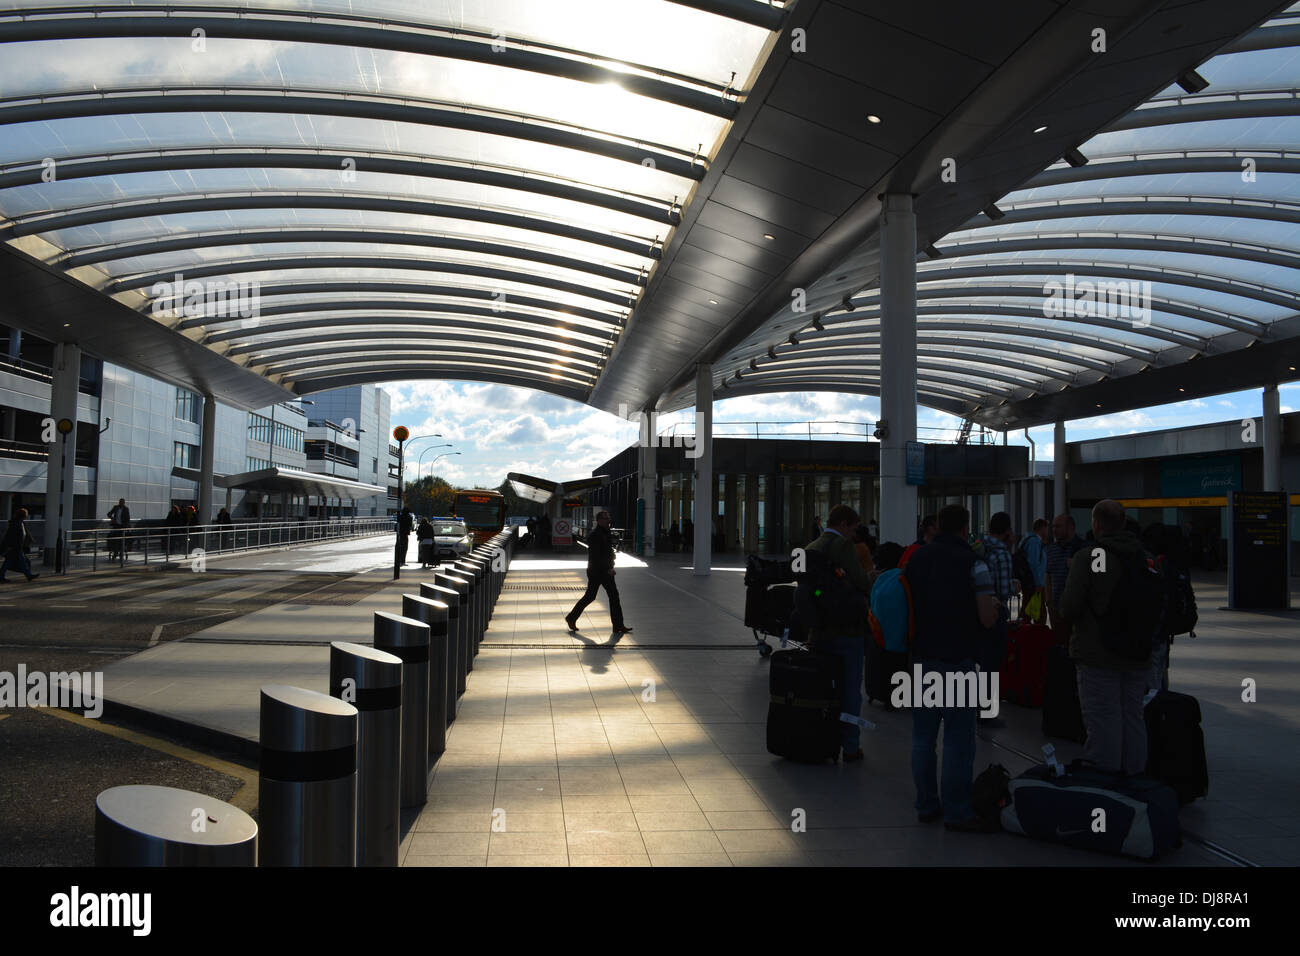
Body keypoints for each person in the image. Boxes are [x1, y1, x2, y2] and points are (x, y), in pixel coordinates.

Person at [904, 504, 999, 831]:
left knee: (922, 739)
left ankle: (927, 805)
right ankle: (958, 813)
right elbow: (987, 618)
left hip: (921, 660)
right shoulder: (975, 563)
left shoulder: (916, 559)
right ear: (964, 528)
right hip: (958, 661)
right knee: (959, 741)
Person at [1059, 499, 1150, 776]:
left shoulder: (1092, 557)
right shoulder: (1142, 556)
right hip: (1137, 652)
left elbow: (1069, 607)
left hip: (1097, 653)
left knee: (1104, 721)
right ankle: (1134, 779)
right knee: (1133, 718)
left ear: (1096, 525)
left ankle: (1105, 787)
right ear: (1123, 523)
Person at [804, 504, 870, 762]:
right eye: (853, 528)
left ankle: (822, 736)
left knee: (824, 688)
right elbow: (861, 582)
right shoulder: (841, 546)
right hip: (847, 631)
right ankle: (851, 746)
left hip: (819, 630)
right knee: (851, 691)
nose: (855, 534)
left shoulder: (811, 547)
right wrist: (870, 577)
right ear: (843, 524)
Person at [565, 511, 630, 634]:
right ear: (599, 520)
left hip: (605, 570)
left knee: (613, 596)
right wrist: (608, 568)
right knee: (591, 596)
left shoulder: (606, 533)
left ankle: (618, 625)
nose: (608, 520)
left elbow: (606, 551)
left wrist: (612, 558)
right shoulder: (595, 535)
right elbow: (596, 556)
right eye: (606, 518)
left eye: (609, 518)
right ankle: (571, 618)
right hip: (597, 571)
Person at [1045, 514, 1087, 635]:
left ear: (1070, 528)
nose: (1054, 530)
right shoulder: (1051, 549)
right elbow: (1048, 574)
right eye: (1053, 527)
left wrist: (1078, 565)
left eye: (1058, 527)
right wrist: (1048, 601)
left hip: (1076, 608)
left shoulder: (1084, 548)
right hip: (1055, 608)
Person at [1017, 518, 1049, 623]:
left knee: (1028, 611)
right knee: (1039, 615)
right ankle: (1035, 637)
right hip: (1034, 585)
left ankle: (1024, 634)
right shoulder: (1035, 542)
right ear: (1042, 529)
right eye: (1047, 529)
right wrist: (1038, 583)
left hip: (1028, 583)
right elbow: (1034, 564)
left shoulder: (1026, 540)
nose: (1048, 532)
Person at [0, 508, 38, 582]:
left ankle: (28, 575)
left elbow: (25, 533)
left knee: (9, 562)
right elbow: (11, 536)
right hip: (15, 546)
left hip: (16, 546)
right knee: (21, 561)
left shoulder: (20, 523)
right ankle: (28, 575)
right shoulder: (16, 524)